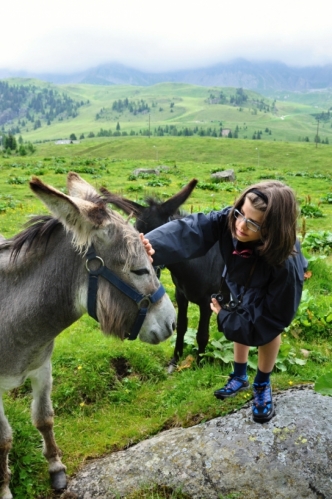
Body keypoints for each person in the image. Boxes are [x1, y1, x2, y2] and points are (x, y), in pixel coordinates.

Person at [141, 180, 307, 424]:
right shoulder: (231, 221)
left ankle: (262, 383)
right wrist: (151, 245)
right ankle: (240, 376)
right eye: (240, 213)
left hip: (269, 279)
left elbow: (271, 321)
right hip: (243, 267)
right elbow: (191, 230)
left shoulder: (285, 267)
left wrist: (224, 317)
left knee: (268, 334)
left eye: (252, 223)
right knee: (239, 307)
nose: (240, 225)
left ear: (273, 228)